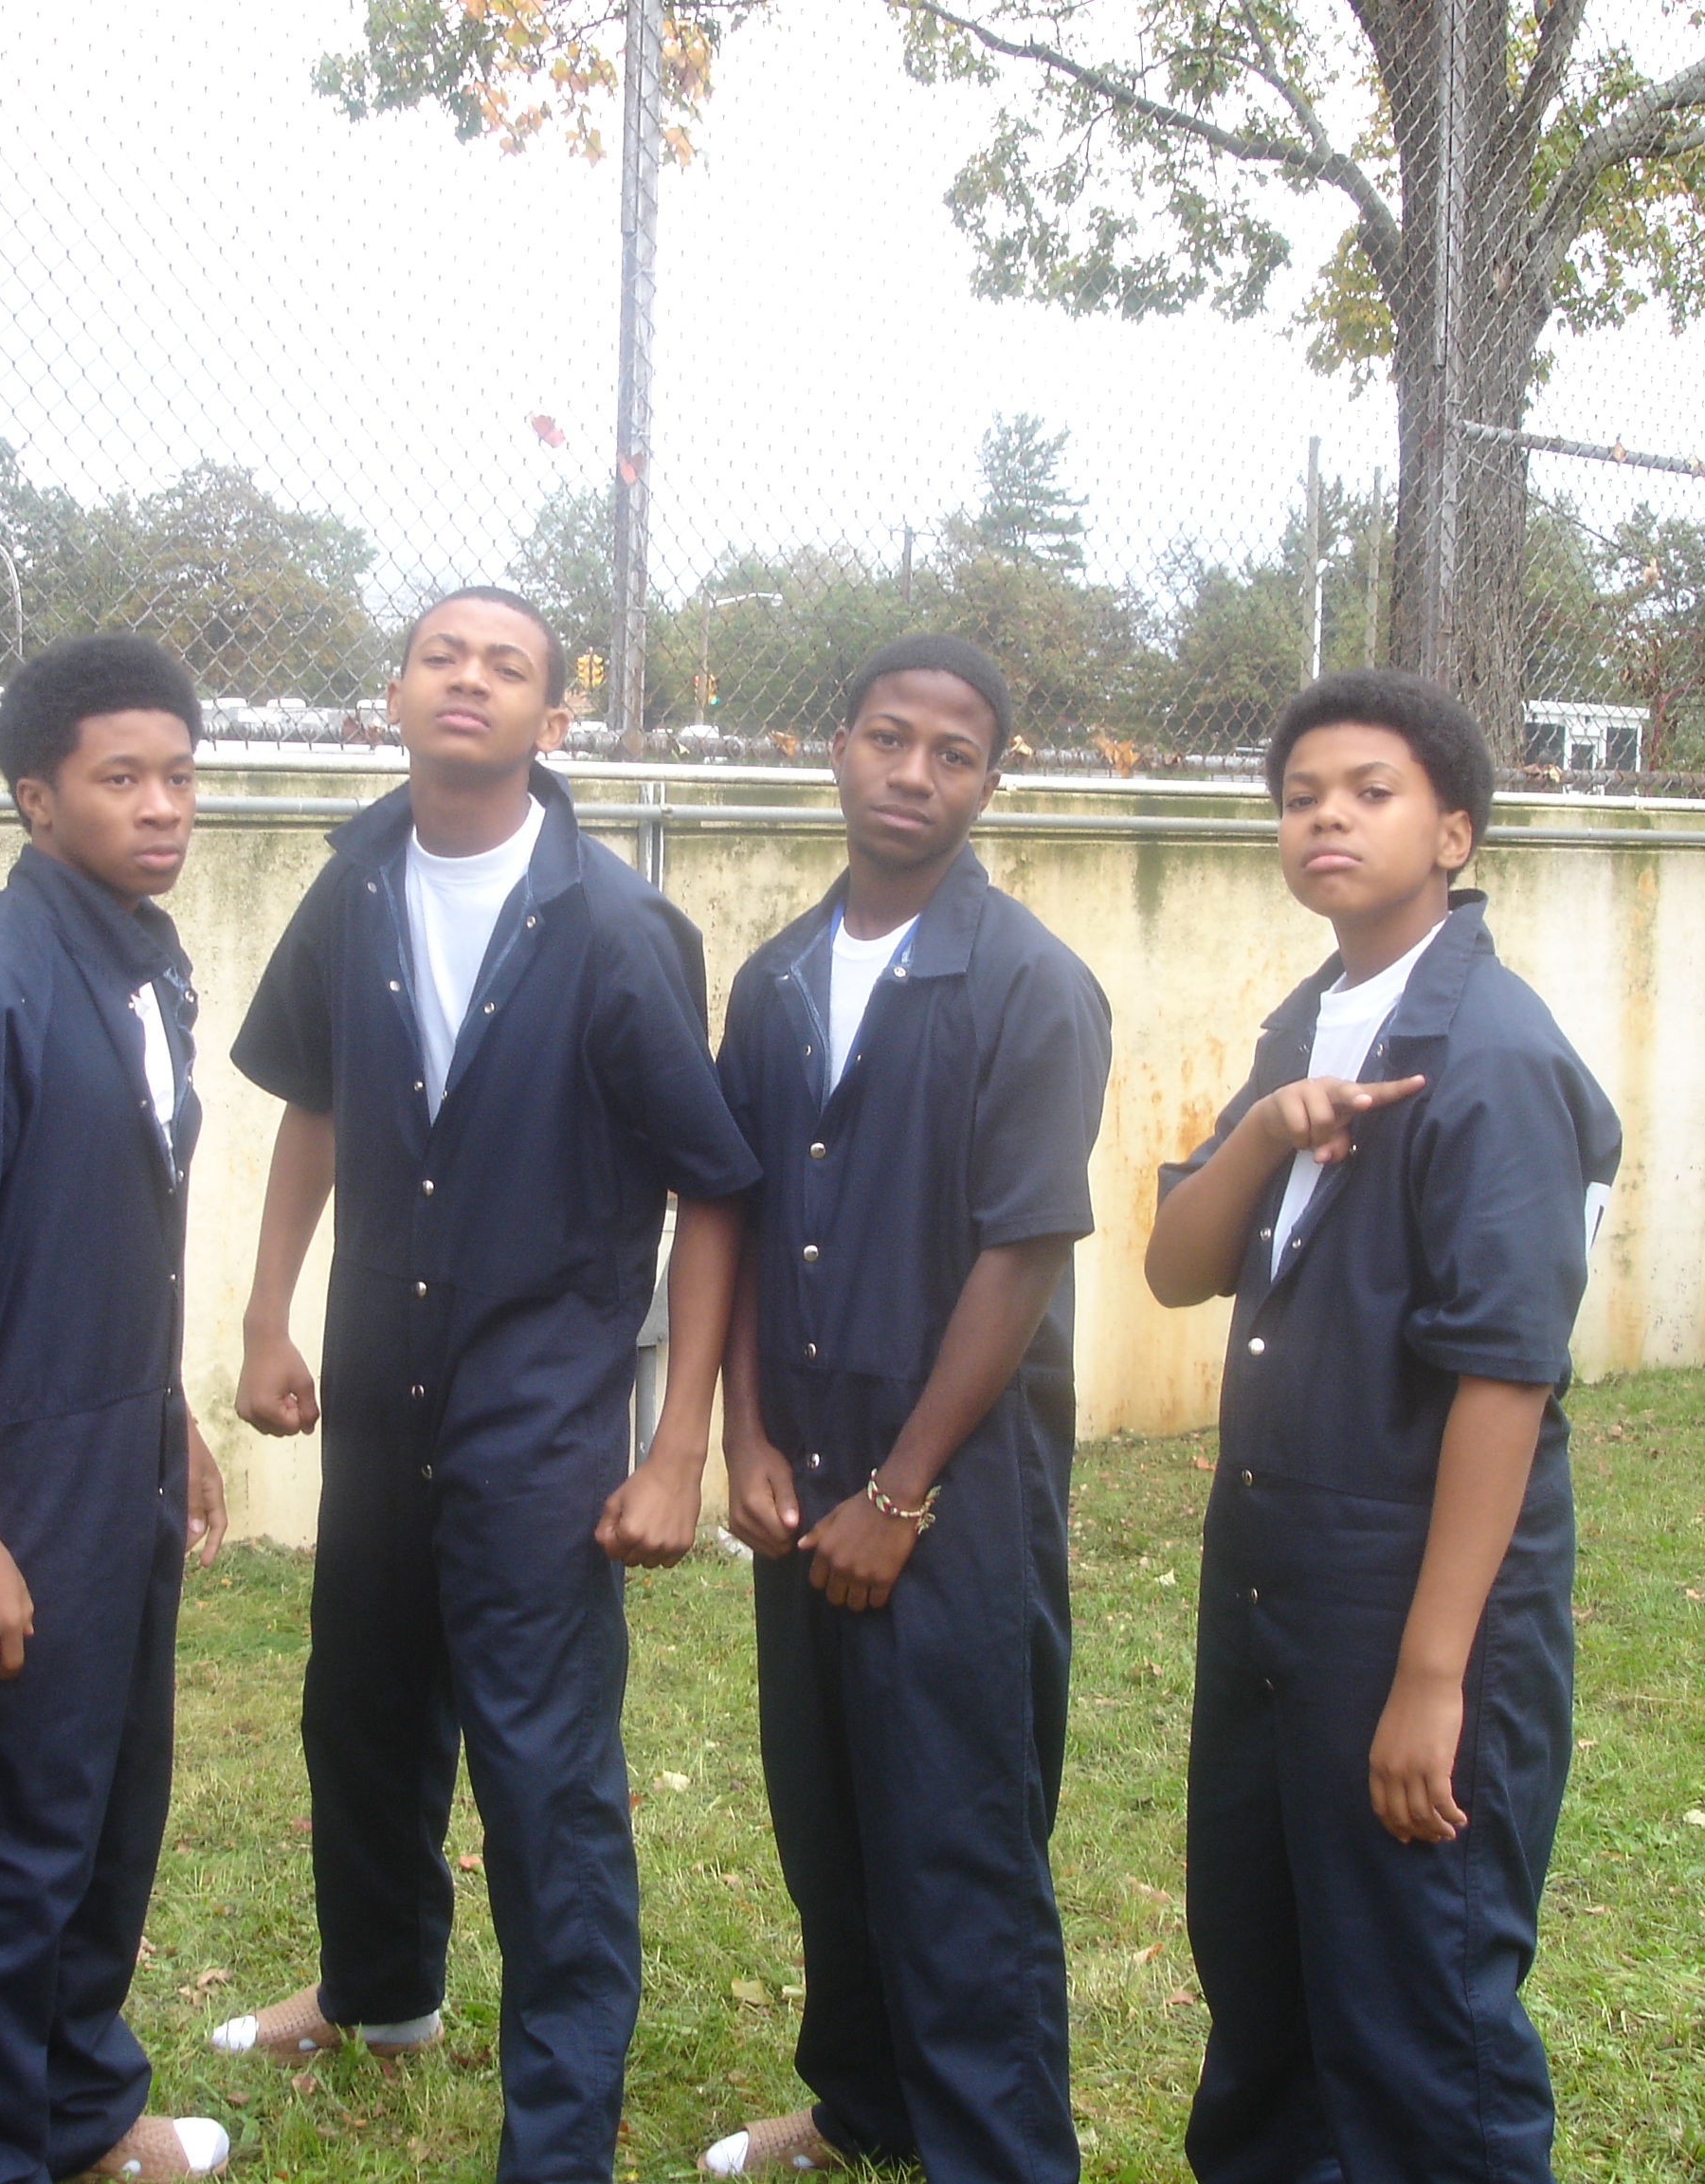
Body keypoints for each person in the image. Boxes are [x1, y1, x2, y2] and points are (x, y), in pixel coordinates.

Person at [214, 585, 760, 2184]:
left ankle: (559, 2137)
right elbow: (311, 1106)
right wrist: (265, 1316)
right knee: (361, 1710)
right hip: (382, 1386)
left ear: (553, 717)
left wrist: (677, 1452)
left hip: (541, 1410)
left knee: (542, 1771)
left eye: (506, 666)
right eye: (442, 657)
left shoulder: (613, 924)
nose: (470, 681)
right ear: (393, 694)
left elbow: (712, 1186)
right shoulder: (354, 887)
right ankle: (382, 1996)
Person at [1143, 668, 1621, 2184]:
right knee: (1267, 1966)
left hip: (1414, 1604)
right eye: (1301, 796)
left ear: (1454, 834)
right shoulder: (1313, 1025)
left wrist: (1431, 1685)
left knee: (1421, 2008)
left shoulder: (1489, 1057)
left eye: (1371, 791)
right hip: (1273, 1584)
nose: (1328, 817)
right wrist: (1275, 1123)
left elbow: (1506, 1379)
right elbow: (1175, 1267)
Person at [702, 634, 1110, 2183]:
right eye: (888, 738)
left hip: (952, 1483)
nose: (913, 773)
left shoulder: (1027, 986)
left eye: (952, 753)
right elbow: (734, 1215)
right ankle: (865, 2104)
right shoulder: (784, 979)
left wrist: (903, 1491)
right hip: (803, 1457)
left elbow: (1024, 1254)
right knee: (830, 1812)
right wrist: (746, 1436)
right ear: (839, 748)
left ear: (989, 781)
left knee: (957, 1835)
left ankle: (997, 2152)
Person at [0, 635, 232, 2183]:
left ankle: (77, 2111)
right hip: (13, 1469)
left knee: (103, 1804)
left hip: (122, 1449)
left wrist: (174, 1420)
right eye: (121, 779)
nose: (163, 807)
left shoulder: (144, 959)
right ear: (35, 798)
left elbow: (116, 1221)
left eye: (180, 775)